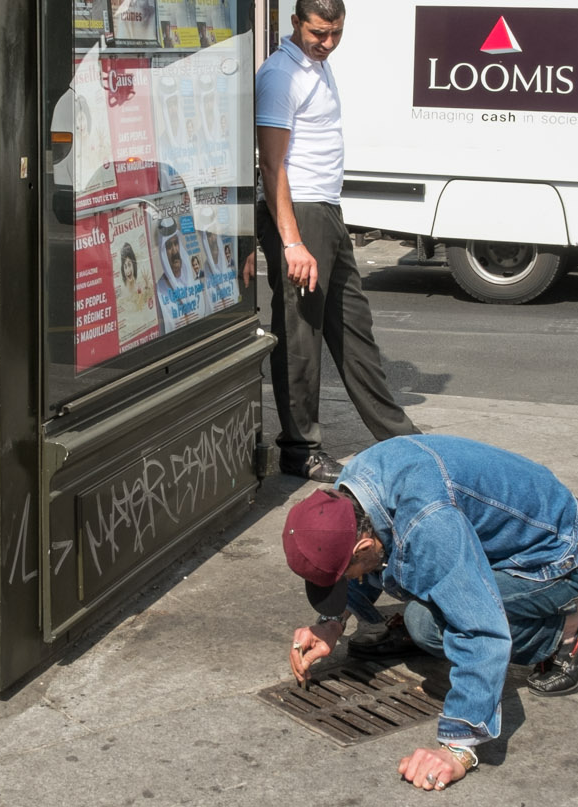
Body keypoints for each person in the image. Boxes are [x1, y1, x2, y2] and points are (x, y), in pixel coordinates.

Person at [281, 435, 578, 791]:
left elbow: (480, 630)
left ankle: (568, 628)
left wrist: (458, 748)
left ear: (361, 544)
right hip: (516, 534)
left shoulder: (428, 518)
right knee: (422, 603)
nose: (351, 581)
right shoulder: (352, 491)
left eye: (346, 577)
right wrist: (332, 622)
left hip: (562, 563)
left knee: (428, 625)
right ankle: (428, 604)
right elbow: (374, 548)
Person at [249, 0, 417, 484]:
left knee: (354, 328)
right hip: (299, 213)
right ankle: (299, 449)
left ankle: (399, 437)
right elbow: (271, 165)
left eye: (335, 33)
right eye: (318, 33)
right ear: (296, 23)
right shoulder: (281, 76)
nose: (326, 42)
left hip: (326, 209)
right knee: (302, 335)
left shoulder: (317, 66)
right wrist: (292, 242)